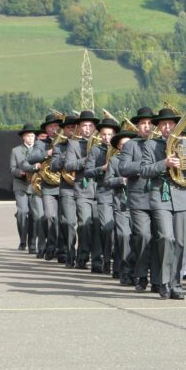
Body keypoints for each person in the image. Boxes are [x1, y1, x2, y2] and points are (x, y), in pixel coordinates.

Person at [140, 107, 186, 300]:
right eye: (163, 125)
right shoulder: (150, 146)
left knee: (180, 242)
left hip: (183, 196)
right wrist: (164, 164)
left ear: (175, 125)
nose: (167, 128)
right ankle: (163, 281)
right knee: (165, 237)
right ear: (158, 127)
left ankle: (176, 283)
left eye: (170, 124)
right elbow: (144, 171)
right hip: (161, 196)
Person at [118, 107, 161, 292]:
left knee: (160, 238)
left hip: (160, 196)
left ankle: (158, 278)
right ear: (137, 127)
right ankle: (141, 275)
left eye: (150, 123)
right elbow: (123, 168)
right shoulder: (131, 145)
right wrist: (145, 165)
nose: (147, 126)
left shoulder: (161, 144)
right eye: (143, 123)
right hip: (138, 198)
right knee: (143, 236)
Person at [65, 110, 103, 272]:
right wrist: (87, 159)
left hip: (101, 189)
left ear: (95, 127)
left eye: (90, 125)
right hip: (83, 190)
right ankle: (82, 255)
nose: (87, 128)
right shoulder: (74, 144)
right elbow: (69, 165)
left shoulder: (102, 143)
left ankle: (97, 261)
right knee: (85, 225)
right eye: (84, 126)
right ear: (79, 128)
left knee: (98, 225)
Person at [25, 113, 64, 261]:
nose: (54, 128)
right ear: (46, 129)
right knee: (49, 216)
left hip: (66, 185)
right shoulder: (41, 143)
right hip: (48, 186)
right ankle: (51, 246)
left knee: (64, 219)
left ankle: (62, 249)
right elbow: (30, 159)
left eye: (56, 126)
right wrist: (47, 153)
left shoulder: (67, 142)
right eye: (51, 126)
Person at [85, 117, 120, 275]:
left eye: (110, 134)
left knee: (120, 230)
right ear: (99, 135)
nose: (107, 137)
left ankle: (118, 263)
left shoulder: (122, 149)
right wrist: (103, 168)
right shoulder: (95, 150)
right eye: (104, 134)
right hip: (104, 192)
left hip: (120, 192)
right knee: (106, 228)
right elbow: (87, 172)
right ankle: (104, 260)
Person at [104, 129, 138, 285]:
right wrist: (121, 180)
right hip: (121, 205)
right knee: (123, 237)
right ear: (118, 147)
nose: (126, 146)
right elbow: (107, 181)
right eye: (122, 144)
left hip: (138, 204)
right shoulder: (114, 161)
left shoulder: (140, 159)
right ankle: (125, 272)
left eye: (128, 144)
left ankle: (135, 270)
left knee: (137, 239)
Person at [50, 115, 78, 268]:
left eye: (74, 127)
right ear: (64, 130)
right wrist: (66, 157)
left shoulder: (86, 146)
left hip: (86, 188)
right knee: (68, 222)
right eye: (68, 127)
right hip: (67, 188)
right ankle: (69, 252)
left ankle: (85, 254)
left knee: (90, 224)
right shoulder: (59, 147)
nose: (72, 130)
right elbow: (53, 166)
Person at [10, 124, 40, 253]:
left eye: (32, 136)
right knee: (22, 213)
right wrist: (20, 173)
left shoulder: (39, 150)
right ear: (23, 137)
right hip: (20, 185)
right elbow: (12, 169)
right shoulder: (15, 151)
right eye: (28, 136)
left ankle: (32, 243)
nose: (31, 138)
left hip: (34, 186)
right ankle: (22, 241)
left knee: (35, 215)